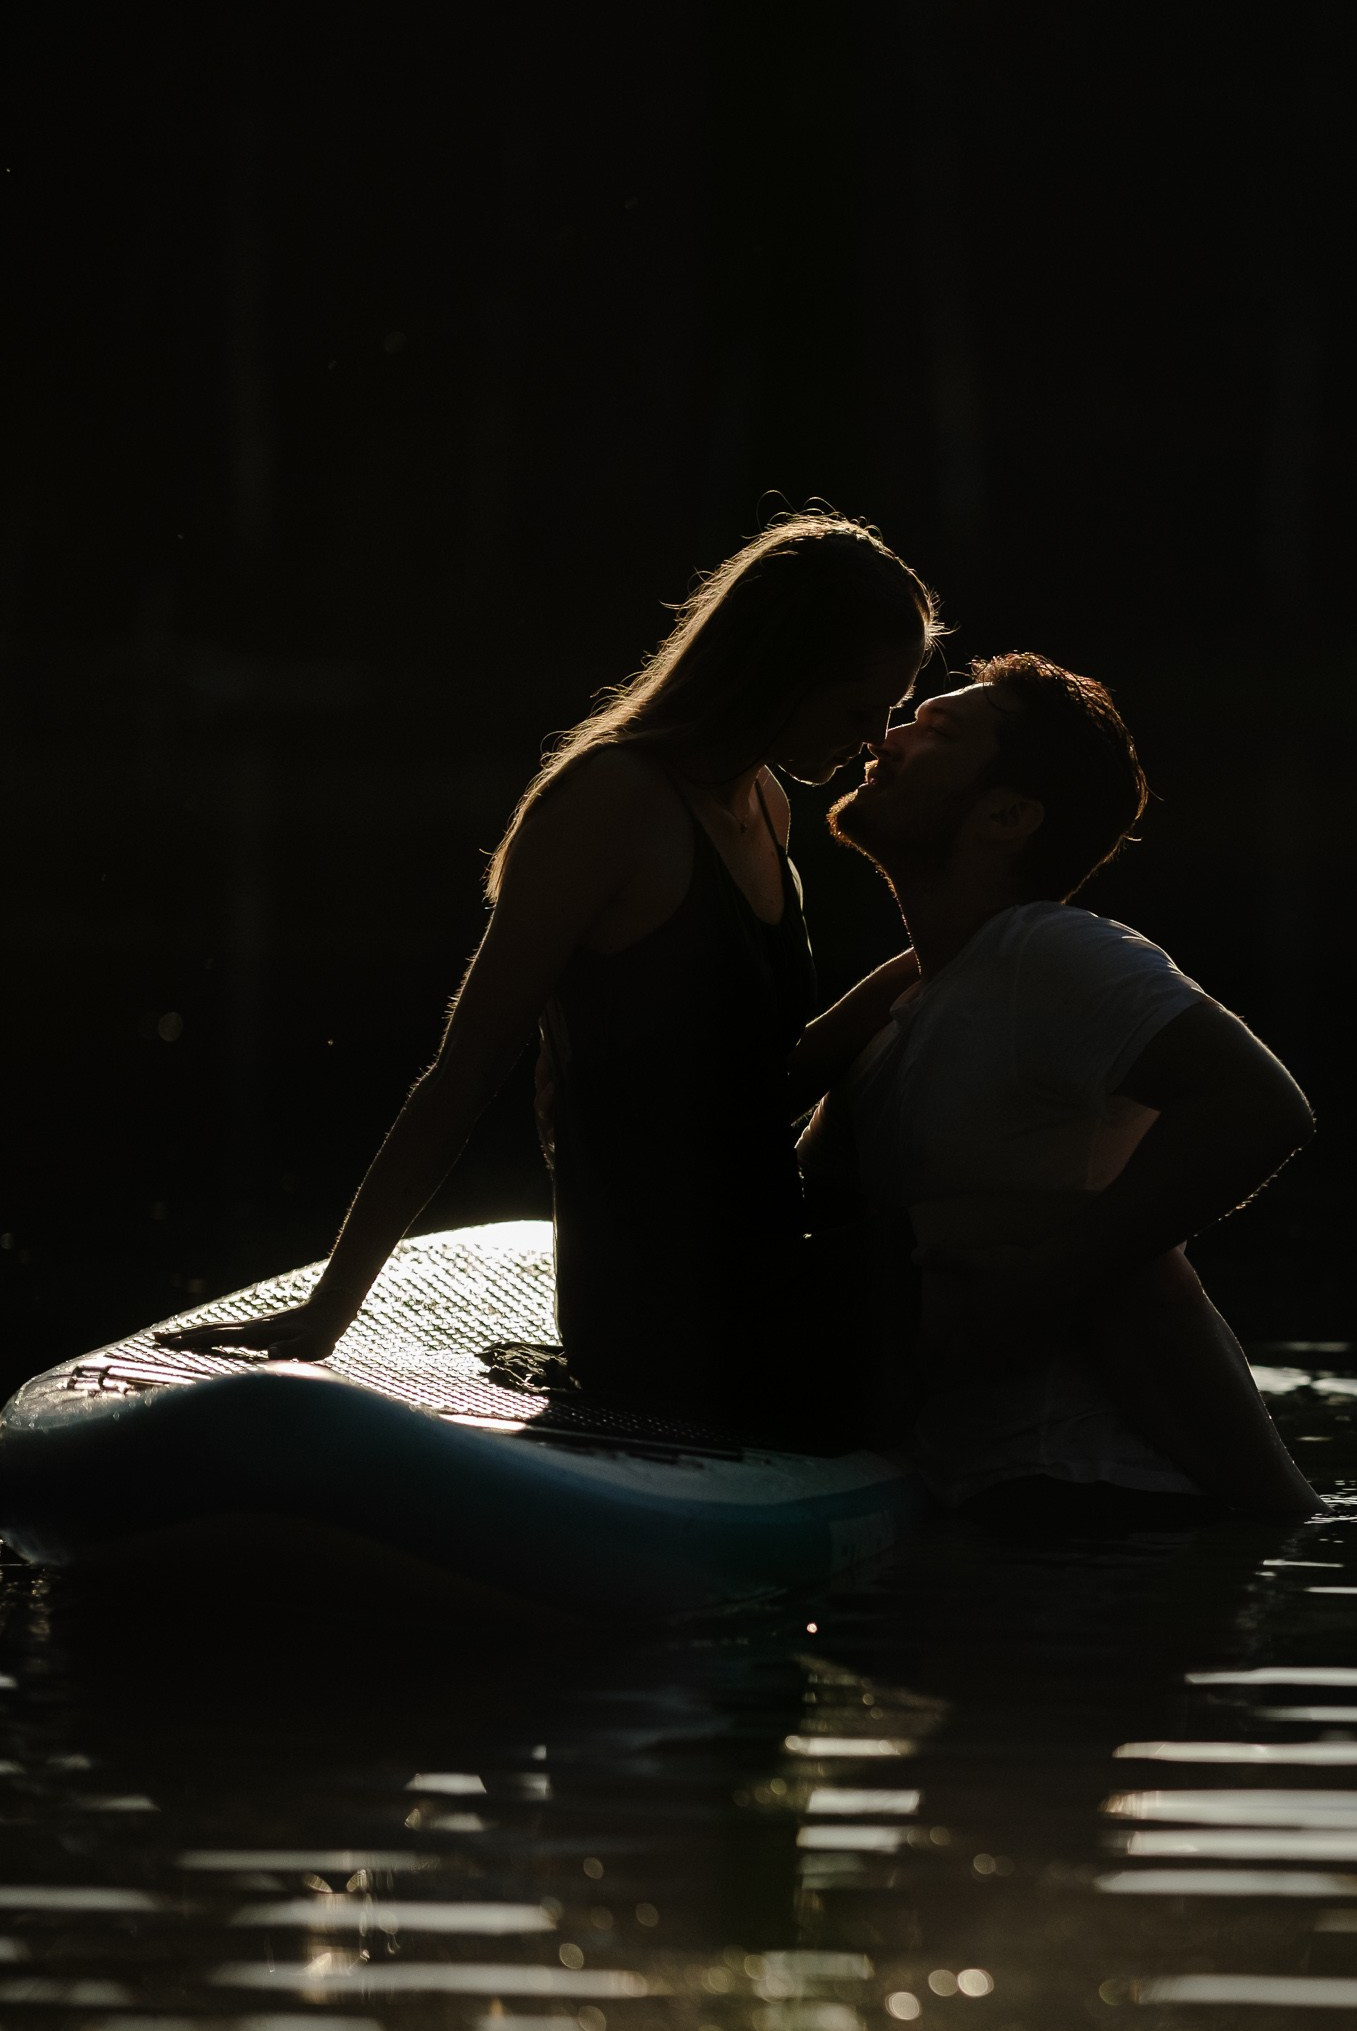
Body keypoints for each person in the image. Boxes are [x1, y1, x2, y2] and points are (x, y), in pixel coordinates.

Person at [191, 510, 937, 1432]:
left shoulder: (766, 803)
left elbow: (760, 1081)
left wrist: (937, 964)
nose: (876, 737)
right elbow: (464, 1071)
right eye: (863, 707)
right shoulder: (612, 803)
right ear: (781, 672)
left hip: (768, 1263)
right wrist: (331, 1308)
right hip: (663, 1315)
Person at [808, 649, 1320, 1523]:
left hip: (1093, 1512)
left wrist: (1038, 1288)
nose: (885, 740)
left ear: (1005, 815)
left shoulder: (1049, 952)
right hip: (977, 1508)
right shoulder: (929, 991)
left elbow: (1261, 1106)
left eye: (939, 732)